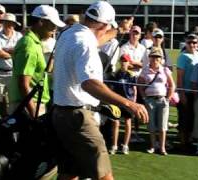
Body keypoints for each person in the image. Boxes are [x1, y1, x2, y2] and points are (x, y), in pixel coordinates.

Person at [52, 1, 148, 180]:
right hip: (79, 118)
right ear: (104, 25)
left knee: (69, 174)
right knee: (104, 176)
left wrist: (119, 30)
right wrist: (128, 103)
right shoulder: (86, 44)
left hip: (60, 114)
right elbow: (89, 84)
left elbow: (97, 37)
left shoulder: (69, 33)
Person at [9, 5, 65, 117]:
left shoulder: (35, 43)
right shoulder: (29, 45)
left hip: (31, 102)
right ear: (41, 22)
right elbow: (23, 84)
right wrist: (33, 114)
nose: (55, 29)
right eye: (52, 25)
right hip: (28, 105)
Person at [138, 47, 175, 155]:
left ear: (161, 59)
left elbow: (172, 85)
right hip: (150, 100)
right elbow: (139, 85)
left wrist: (168, 98)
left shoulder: (164, 70)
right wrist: (144, 98)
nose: (155, 59)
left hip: (162, 99)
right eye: (153, 56)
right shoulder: (145, 70)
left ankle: (162, 147)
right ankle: (153, 146)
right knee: (152, 125)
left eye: (157, 57)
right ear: (149, 58)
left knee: (163, 125)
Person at [176, 33, 198, 152]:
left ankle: (190, 141)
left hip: (195, 93)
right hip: (185, 92)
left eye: (194, 42)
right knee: (184, 119)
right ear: (186, 43)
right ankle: (182, 143)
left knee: (192, 118)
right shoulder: (183, 56)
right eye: (189, 42)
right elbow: (179, 76)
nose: (192, 44)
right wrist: (181, 94)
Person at [109, 54, 137, 155]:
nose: (123, 63)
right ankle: (114, 145)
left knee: (128, 123)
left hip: (128, 102)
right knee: (115, 122)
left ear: (129, 63)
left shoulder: (131, 75)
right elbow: (112, 88)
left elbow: (134, 89)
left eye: (126, 61)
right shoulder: (115, 74)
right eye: (122, 61)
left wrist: (133, 102)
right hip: (117, 102)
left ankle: (125, 145)